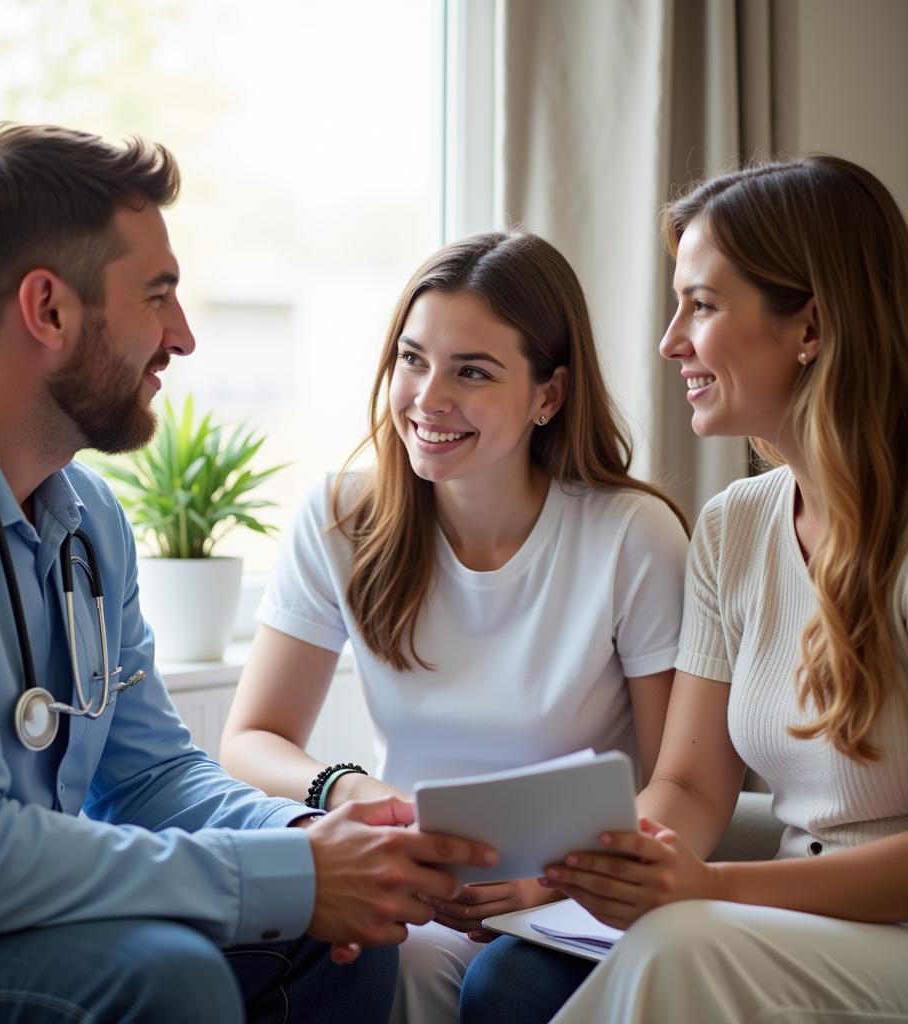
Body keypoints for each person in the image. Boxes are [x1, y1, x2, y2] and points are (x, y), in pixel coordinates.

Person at [0, 123, 500, 1024]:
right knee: (163, 975)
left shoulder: (87, 517)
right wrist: (289, 875)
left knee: (351, 937)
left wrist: (314, 842)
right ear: (48, 310)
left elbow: (145, 777)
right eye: (158, 296)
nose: (183, 336)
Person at [460, 154, 908, 1023]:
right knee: (513, 978)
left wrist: (709, 887)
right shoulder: (736, 524)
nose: (671, 341)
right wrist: (573, 873)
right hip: (785, 912)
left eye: (701, 305)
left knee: (680, 943)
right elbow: (694, 788)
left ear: (808, 326)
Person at [219, 230, 690, 1023]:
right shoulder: (342, 518)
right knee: (331, 956)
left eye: (471, 371)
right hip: (415, 888)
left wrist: (555, 878)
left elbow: (680, 784)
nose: (428, 397)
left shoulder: (631, 536)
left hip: (574, 900)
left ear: (549, 395)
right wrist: (352, 791)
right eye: (412, 359)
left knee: (482, 986)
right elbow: (251, 739)